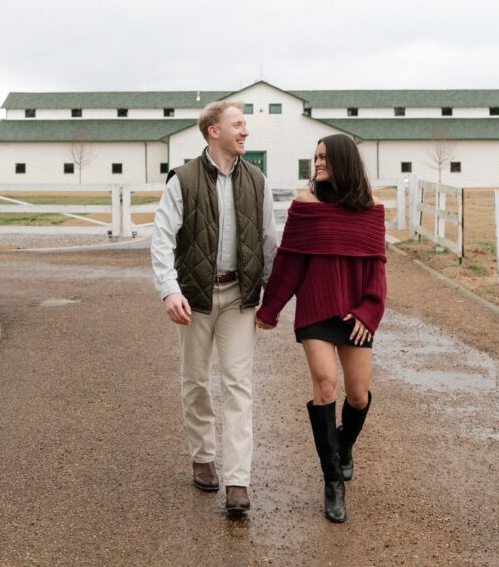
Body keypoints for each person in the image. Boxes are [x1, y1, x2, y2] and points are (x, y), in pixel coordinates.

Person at [151, 100, 277, 515]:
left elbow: (269, 241)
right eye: (237, 124)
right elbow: (162, 238)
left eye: (245, 125)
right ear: (214, 131)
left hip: (240, 297)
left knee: (238, 385)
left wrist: (272, 297)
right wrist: (169, 290)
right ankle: (203, 457)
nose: (245, 131)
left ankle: (238, 480)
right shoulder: (183, 180)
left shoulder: (257, 180)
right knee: (195, 380)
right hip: (195, 297)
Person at [256, 134, 386, 523]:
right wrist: (270, 308)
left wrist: (369, 311)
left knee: (358, 396)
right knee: (326, 384)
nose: (317, 164)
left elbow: (377, 267)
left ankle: (342, 447)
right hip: (316, 308)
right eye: (315, 157)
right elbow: (290, 262)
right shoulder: (306, 204)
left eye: (324, 157)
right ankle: (332, 482)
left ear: (344, 160)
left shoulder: (371, 208)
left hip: (356, 313)